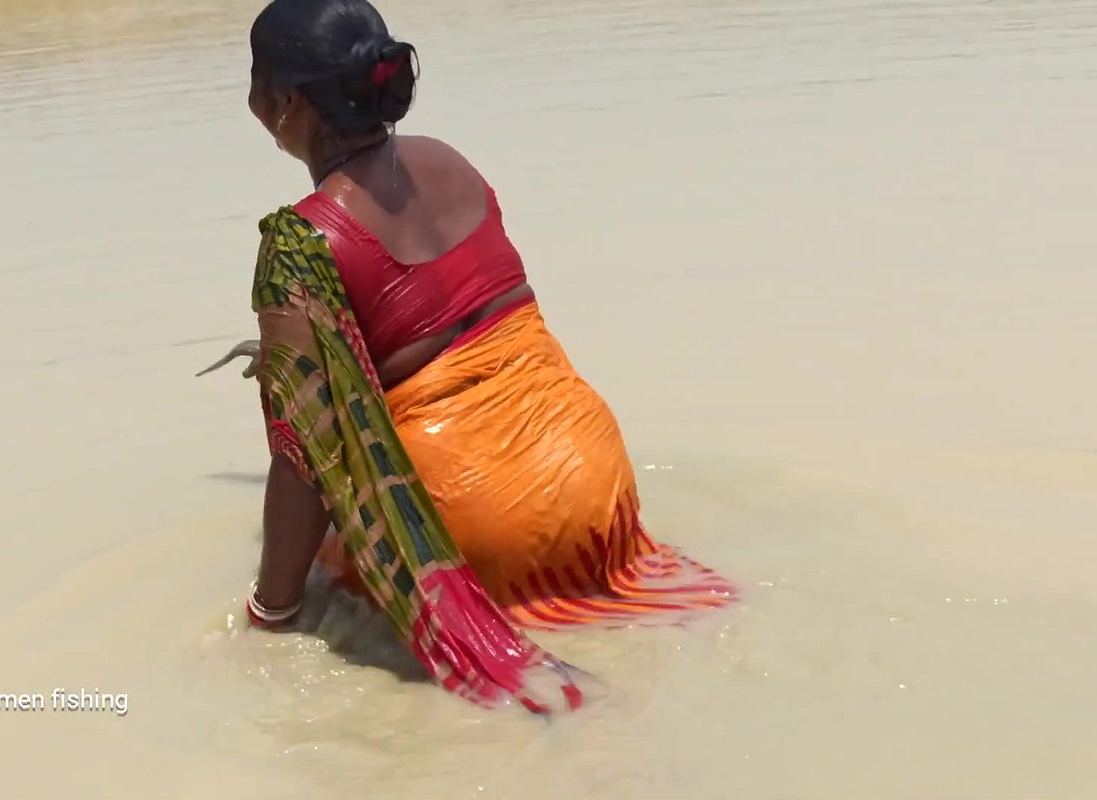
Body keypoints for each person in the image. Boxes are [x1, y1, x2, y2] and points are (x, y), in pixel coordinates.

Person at [211, 0, 735, 711]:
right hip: (597, 476)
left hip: (472, 523)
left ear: (285, 100)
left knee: (338, 565)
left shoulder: (301, 244)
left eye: (254, 78)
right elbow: (452, 321)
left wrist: (270, 614)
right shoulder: (447, 160)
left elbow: (304, 457)